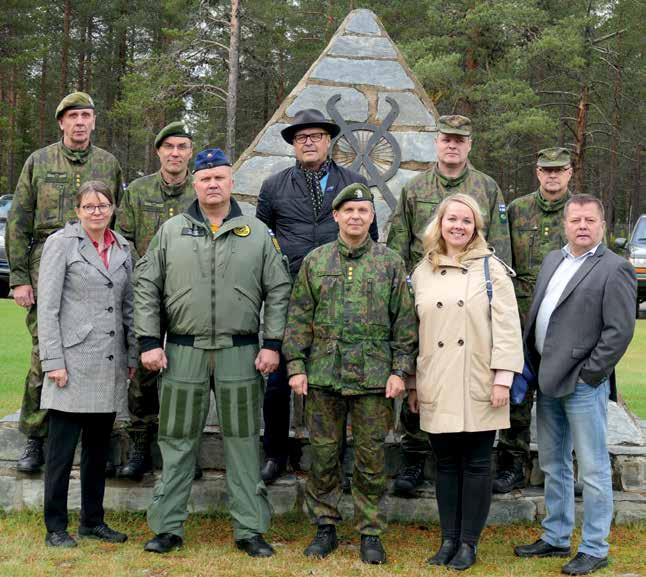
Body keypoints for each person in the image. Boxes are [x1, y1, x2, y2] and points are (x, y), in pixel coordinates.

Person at [135, 147, 291, 557]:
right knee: (177, 439)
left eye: (220, 177)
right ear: (195, 183)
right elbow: (147, 287)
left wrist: (272, 343)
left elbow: (278, 290)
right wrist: (150, 341)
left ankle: (250, 529)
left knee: (241, 441)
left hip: (239, 352)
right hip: (183, 350)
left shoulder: (257, 233)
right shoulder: (171, 232)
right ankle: (167, 527)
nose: (212, 184)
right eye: (205, 179)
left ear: (231, 182)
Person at [283, 183, 417, 565]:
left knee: (371, 459)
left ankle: (370, 532)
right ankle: (324, 527)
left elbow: (404, 323)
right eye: (349, 211)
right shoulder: (316, 261)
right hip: (324, 374)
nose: (356, 217)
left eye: (363, 211)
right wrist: (296, 366)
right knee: (324, 456)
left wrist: (400, 371)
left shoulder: (390, 263)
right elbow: (299, 317)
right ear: (336, 216)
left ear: (372, 218)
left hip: (375, 379)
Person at [387, 114, 512, 495]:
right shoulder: (414, 188)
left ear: (469, 144)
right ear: (436, 142)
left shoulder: (487, 188)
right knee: (423, 376)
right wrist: (402, 294)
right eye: (446, 139)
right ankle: (411, 459)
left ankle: (473, 465)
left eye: (460, 139)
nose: (453, 145)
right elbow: (398, 244)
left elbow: (500, 250)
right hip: (424, 296)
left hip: (472, 296)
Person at [514, 194, 636, 576]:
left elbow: (619, 331)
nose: (582, 226)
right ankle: (555, 536)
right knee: (553, 462)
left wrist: (591, 374)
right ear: (564, 224)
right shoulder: (554, 259)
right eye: (575, 220)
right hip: (547, 379)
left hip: (583, 384)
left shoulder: (615, 268)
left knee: (594, 470)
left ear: (602, 225)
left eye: (590, 220)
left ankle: (596, 547)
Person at [256, 108, 379, 484]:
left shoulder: (353, 182)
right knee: (277, 381)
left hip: (340, 296)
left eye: (315, 136)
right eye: (301, 138)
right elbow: (262, 241)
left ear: (329, 141)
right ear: (293, 145)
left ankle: (335, 461)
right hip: (288, 294)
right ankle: (276, 453)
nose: (308, 142)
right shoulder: (274, 186)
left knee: (336, 380)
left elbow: (369, 242)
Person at [6, 91, 124, 474]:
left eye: (86, 115)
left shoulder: (108, 163)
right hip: (48, 263)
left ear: (93, 121)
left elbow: (117, 218)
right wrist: (21, 278)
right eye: (72, 116)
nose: (79, 122)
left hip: (96, 264)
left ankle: (99, 438)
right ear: (61, 122)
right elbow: (19, 221)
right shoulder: (38, 161)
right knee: (46, 350)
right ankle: (35, 438)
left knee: (102, 347)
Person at [410, 193, 522, 570]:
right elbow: (413, 331)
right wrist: (412, 383)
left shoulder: (492, 270)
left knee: (476, 464)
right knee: (444, 464)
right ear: (439, 223)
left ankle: (469, 543)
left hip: (480, 379)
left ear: (476, 227)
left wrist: (503, 379)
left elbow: (508, 330)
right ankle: (448, 540)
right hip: (437, 379)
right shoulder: (421, 271)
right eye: (452, 219)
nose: (458, 226)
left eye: (467, 221)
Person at [37, 181, 136, 547]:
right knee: (61, 455)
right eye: (89, 206)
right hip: (71, 364)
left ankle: (92, 521)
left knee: (98, 453)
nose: (97, 211)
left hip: (108, 366)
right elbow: (46, 308)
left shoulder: (125, 248)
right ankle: (56, 528)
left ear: (113, 208)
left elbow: (128, 307)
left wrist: (130, 356)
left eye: (103, 205)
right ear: (78, 211)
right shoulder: (61, 245)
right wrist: (53, 361)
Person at [115, 121, 195, 481]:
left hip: (190, 294)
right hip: (146, 291)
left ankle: (182, 454)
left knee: (185, 374)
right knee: (143, 373)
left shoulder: (201, 191)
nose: (175, 153)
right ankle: (140, 447)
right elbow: (124, 239)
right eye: (169, 147)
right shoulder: (137, 191)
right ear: (159, 151)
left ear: (189, 152)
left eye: (182, 147)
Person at [494, 147, 572, 493]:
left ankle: (566, 467)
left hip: (564, 320)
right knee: (517, 395)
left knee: (562, 395)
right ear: (537, 172)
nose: (552, 176)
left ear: (570, 172)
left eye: (559, 170)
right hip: (520, 317)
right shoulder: (516, 210)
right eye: (546, 170)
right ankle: (512, 464)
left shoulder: (578, 211)